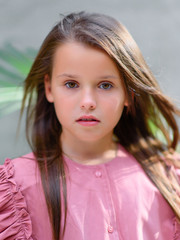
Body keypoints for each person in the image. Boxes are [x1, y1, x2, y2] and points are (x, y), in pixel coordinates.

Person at [0, 11, 180, 240]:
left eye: (105, 85)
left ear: (128, 93)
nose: (87, 102)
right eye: (71, 84)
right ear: (49, 88)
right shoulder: (16, 191)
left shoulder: (167, 178)